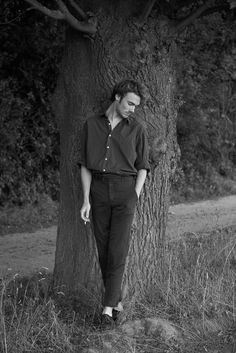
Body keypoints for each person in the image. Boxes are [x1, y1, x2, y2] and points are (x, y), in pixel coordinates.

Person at [79, 79, 150, 326]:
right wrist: (85, 199)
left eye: (136, 106)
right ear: (117, 97)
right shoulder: (91, 125)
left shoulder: (137, 129)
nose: (133, 109)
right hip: (98, 191)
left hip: (125, 192)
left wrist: (135, 195)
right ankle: (117, 300)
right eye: (130, 103)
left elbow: (143, 166)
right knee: (104, 252)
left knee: (118, 250)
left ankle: (107, 311)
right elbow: (86, 165)